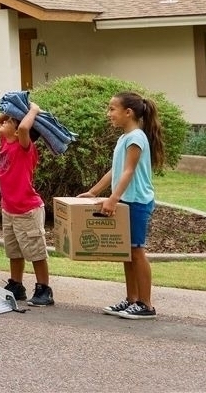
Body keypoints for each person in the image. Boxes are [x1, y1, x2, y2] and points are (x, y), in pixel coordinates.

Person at [82, 91, 166, 320]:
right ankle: (132, 300)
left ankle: (146, 304)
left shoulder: (136, 137)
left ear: (128, 112)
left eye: (112, 109)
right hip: (127, 200)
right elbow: (115, 169)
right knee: (127, 253)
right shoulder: (124, 138)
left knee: (137, 252)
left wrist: (113, 199)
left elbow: (129, 172)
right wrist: (94, 191)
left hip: (137, 201)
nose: (108, 114)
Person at [0, 104, 53, 307]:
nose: (4, 121)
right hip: (9, 209)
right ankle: (16, 285)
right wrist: (12, 107)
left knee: (35, 251)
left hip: (27, 210)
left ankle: (44, 289)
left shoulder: (23, 147)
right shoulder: (4, 142)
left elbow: (26, 129)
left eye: (10, 121)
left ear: (18, 131)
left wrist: (32, 110)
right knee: (14, 251)